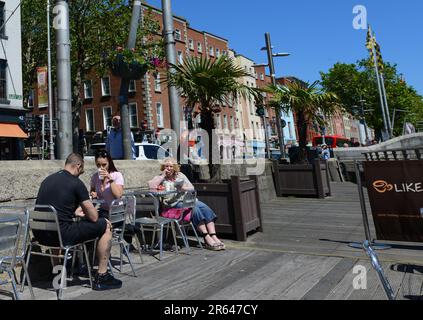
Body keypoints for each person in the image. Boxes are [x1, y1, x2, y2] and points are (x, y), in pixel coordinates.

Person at [35, 153, 122, 291]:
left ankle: (58, 274)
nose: (80, 174)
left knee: (56, 226)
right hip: (63, 235)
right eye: (81, 171)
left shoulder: (47, 180)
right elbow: (93, 217)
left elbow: (53, 210)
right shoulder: (75, 182)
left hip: (41, 234)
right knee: (105, 225)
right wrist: (90, 212)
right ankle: (102, 276)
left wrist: (74, 212)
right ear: (78, 166)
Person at [148, 157, 225, 251]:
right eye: (166, 166)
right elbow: (151, 186)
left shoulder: (180, 175)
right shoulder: (161, 177)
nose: (168, 168)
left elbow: (192, 188)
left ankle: (213, 236)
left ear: (175, 167)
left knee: (205, 208)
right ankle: (206, 236)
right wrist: (163, 176)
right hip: (172, 204)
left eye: (171, 166)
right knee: (195, 210)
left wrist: (182, 188)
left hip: (187, 200)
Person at [90, 149, 124, 219]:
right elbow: (92, 194)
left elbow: (118, 195)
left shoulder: (117, 175)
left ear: (109, 163)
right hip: (103, 211)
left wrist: (110, 179)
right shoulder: (95, 177)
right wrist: (93, 195)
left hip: (116, 212)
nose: (101, 168)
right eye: (98, 165)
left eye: (104, 165)